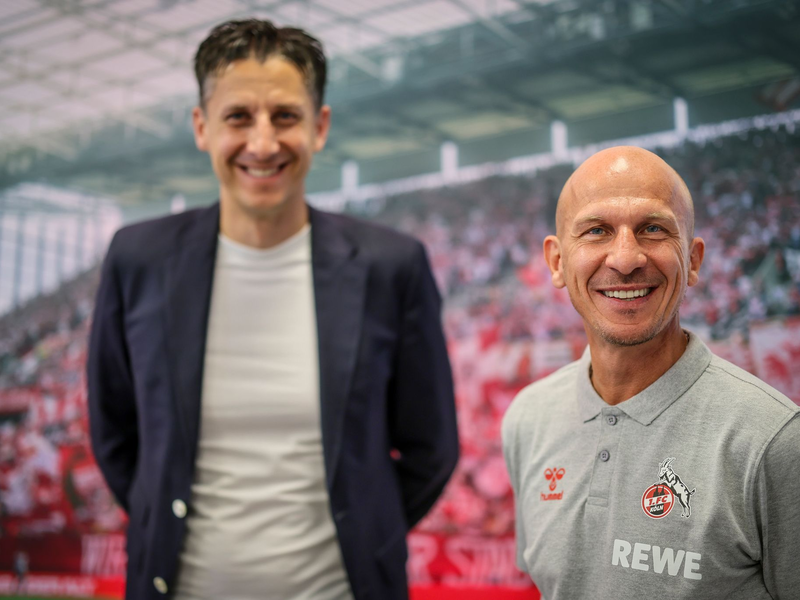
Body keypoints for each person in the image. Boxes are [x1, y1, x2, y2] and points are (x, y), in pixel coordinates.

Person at [87, 19, 458, 600]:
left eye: (285, 116)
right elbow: (114, 435)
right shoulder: (138, 259)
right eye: (239, 117)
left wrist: (364, 527)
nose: (262, 144)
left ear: (320, 127)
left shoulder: (392, 265)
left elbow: (431, 446)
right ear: (202, 127)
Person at [502, 146, 800, 599]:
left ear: (694, 260)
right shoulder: (528, 419)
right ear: (557, 261)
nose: (625, 258)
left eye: (653, 229)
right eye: (597, 230)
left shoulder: (774, 441)